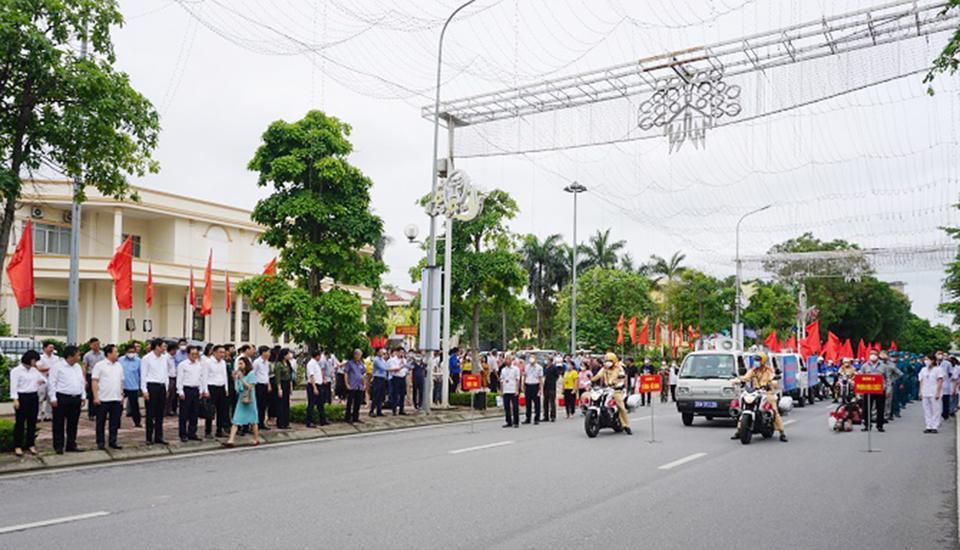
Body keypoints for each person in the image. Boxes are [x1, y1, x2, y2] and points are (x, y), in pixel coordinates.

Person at [731, 352, 786, 442]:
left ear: (763, 361)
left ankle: (782, 433)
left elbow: (773, 379)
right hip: (756, 392)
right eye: (755, 360)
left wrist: (772, 383)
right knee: (743, 409)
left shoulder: (769, 370)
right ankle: (739, 431)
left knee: (775, 411)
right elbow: (746, 378)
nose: (756, 362)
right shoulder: (753, 370)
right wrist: (737, 380)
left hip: (767, 392)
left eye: (758, 360)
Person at [48, 345, 85, 454]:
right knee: (59, 423)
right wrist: (53, 398)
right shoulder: (58, 366)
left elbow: (81, 382)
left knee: (73, 423)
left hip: (75, 398)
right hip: (62, 398)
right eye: (77, 355)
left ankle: (71, 444)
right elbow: (52, 382)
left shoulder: (77, 367)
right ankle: (58, 446)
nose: (79, 357)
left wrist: (83, 395)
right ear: (70, 356)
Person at [10, 350, 45, 456]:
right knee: (20, 423)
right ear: (30, 360)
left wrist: (42, 381)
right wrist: (15, 399)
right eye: (35, 361)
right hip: (22, 397)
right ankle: (18, 446)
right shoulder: (16, 371)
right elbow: (13, 386)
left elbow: (44, 379)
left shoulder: (34, 370)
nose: (36, 363)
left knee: (32, 422)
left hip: (33, 396)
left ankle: (30, 444)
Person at [92, 345, 124, 450]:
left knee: (114, 422)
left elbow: (121, 381)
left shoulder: (119, 366)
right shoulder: (99, 365)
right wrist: (96, 396)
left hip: (116, 398)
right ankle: (100, 442)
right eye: (116, 352)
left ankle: (113, 441)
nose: (117, 354)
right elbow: (94, 381)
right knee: (101, 422)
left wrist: (122, 394)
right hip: (103, 398)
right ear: (109, 353)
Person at [590, 353, 632, 435]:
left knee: (621, 407)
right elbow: (598, 376)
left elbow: (618, 376)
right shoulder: (604, 369)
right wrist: (591, 379)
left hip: (617, 390)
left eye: (609, 361)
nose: (607, 362)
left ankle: (625, 425)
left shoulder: (619, 368)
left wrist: (612, 381)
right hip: (607, 389)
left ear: (614, 361)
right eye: (606, 361)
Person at [224, 357, 260, 447]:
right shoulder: (239, 374)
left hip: (250, 399)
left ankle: (256, 438)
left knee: (253, 420)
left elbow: (250, 387)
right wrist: (236, 379)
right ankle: (231, 440)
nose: (240, 366)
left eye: (241, 363)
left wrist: (241, 379)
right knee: (236, 419)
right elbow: (237, 389)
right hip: (241, 399)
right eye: (239, 364)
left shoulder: (251, 374)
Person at [140, 339, 169, 445]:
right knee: (150, 414)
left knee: (160, 414)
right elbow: (143, 375)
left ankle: (159, 436)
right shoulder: (146, 358)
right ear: (157, 346)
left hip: (161, 387)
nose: (164, 349)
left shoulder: (164, 358)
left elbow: (166, 374)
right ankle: (149, 437)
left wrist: (166, 388)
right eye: (163, 346)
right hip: (151, 387)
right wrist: (144, 390)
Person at [177, 345, 207, 442]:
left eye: (196, 354)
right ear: (188, 354)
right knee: (184, 414)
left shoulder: (199, 365)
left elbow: (201, 378)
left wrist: (202, 390)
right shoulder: (183, 365)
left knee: (194, 413)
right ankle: (183, 434)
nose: (194, 356)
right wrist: (180, 391)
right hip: (186, 390)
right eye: (192, 354)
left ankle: (192, 433)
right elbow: (180, 379)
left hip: (196, 389)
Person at [204, 345, 231, 438]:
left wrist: (226, 388)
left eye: (223, 352)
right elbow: (204, 377)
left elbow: (225, 376)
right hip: (211, 387)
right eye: (220, 352)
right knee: (210, 410)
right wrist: (205, 390)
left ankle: (219, 430)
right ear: (214, 352)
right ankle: (208, 431)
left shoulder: (223, 362)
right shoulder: (208, 362)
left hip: (221, 387)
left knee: (222, 410)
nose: (222, 354)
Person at [860, 351, 888, 433]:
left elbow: (887, 378)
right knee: (866, 408)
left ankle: (880, 425)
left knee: (880, 408)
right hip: (868, 389)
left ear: (877, 356)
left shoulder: (883, 366)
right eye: (871, 354)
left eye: (875, 354)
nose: (873, 356)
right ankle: (867, 425)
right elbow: (860, 376)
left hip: (880, 389)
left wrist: (887, 388)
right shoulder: (865, 365)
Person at [919, 353, 945, 433]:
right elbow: (921, 381)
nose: (926, 361)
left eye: (927, 359)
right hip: (925, 391)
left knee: (936, 409)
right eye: (925, 359)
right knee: (926, 409)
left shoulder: (938, 369)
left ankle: (935, 426)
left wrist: (938, 392)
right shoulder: (923, 369)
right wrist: (920, 391)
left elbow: (940, 381)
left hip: (934, 391)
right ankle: (928, 426)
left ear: (932, 360)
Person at [119, 344, 142, 428]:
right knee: (119, 406)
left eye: (133, 352)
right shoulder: (120, 360)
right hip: (122, 386)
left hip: (133, 386)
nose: (131, 353)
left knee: (134, 406)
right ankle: (117, 423)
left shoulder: (138, 361)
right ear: (125, 352)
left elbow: (140, 374)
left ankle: (137, 422)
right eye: (129, 352)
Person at [271, 348, 294, 429]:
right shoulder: (279, 364)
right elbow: (278, 378)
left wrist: (291, 387)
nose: (289, 355)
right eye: (288, 354)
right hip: (281, 384)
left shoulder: (287, 363)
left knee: (286, 404)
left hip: (287, 384)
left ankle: (286, 422)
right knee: (280, 404)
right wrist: (279, 389)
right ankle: (280, 423)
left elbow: (290, 376)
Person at [37, 341, 59, 421]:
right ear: (44, 348)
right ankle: (38, 415)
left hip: (52, 380)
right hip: (42, 380)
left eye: (52, 348)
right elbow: (38, 368)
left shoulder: (56, 358)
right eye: (50, 347)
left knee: (51, 398)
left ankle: (48, 415)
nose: (51, 349)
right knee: (40, 398)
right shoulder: (40, 358)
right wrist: (50, 369)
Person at [83, 338, 104, 420]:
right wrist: (84, 379)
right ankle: (91, 413)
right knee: (92, 395)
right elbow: (85, 367)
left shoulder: (103, 354)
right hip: (91, 375)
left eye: (98, 344)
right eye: (95, 344)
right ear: (90, 345)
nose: (97, 346)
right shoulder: (87, 355)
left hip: (101, 376)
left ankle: (100, 412)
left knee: (101, 393)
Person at [305, 350, 326, 427]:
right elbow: (311, 376)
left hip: (319, 385)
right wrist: (314, 388)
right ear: (317, 356)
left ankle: (322, 420)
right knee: (311, 404)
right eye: (319, 356)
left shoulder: (316, 363)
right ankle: (309, 421)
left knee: (320, 404)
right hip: (313, 385)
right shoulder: (311, 364)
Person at [252, 346, 271, 430]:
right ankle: (256, 423)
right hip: (258, 385)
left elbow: (267, 374)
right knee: (258, 405)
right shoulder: (257, 362)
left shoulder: (267, 362)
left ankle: (262, 422)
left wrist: (268, 384)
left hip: (265, 385)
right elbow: (253, 374)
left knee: (264, 405)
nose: (269, 354)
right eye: (268, 352)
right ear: (263, 353)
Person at [344, 349, 365, 423]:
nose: (359, 357)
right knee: (350, 402)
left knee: (358, 402)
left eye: (360, 355)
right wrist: (347, 384)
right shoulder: (350, 363)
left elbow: (362, 374)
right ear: (355, 355)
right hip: (352, 385)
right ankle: (348, 417)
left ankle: (355, 417)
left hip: (359, 386)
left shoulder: (361, 363)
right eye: (358, 355)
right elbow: (346, 373)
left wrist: (364, 384)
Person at [521, 355, 543, 425]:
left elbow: (540, 379)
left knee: (536, 403)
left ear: (536, 359)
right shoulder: (527, 366)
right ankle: (528, 418)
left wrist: (541, 389)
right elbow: (525, 376)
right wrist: (523, 385)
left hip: (535, 385)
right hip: (528, 385)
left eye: (533, 358)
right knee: (528, 403)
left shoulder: (539, 367)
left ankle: (537, 418)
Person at [387, 348, 409, 415]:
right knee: (395, 394)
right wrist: (401, 366)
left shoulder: (405, 360)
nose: (402, 354)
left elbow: (406, 369)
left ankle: (401, 409)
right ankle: (394, 409)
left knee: (402, 394)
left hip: (402, 377)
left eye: (403, 353)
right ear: (397, 352)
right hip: (396, 378)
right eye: (401, 352)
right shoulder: (392, 360)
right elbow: (393, 369)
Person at [500, 357, 520, 428]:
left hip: (513, 389)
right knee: (506, 407)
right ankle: (508, 421)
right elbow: (501, 380)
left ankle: (516, 422)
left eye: (508, 359)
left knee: (515, 407)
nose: (507, 361)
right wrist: (501, 391)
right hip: (506, 390)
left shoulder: (515, 369)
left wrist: (517, 390)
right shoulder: (503, 370)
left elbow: (517, 380)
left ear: (511, 361)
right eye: (506, 360)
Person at [165, 340, 183, 417]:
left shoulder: (173, 358)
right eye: (175, 349)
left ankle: (169, 410)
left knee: (172, 396)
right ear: (171, 349)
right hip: (168, 378)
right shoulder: (166, 357)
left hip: (174, 377)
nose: (176, 351)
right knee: (167, 395)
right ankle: (164, 411)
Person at [542, 356, 562, 422]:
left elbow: (557, 376)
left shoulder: (554, 367)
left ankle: (553, 416)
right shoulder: (545, 367)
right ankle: (546, 416)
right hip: (546, 386)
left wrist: (553, 381)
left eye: (547, 360)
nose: (546, 361)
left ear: (550, 361)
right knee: (545, 402)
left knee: (552, 402)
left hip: (552, 386)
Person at [370, 348, 389, 417]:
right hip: (377, 378)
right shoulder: (376, 360)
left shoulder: (382, 360)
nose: (382, 353)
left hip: (383, 378)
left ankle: (379, 411)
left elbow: (387, 366)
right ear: (377, 352)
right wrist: (387, 367)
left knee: (381, 396)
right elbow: (383, 368)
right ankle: (371, 410)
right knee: (376, 395)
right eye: (381, 352)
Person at [937, 351, 953, 421]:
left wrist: (946, 379)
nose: (940, 356)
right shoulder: (934, 363)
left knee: (945, 401)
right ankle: (938, 415)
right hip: (936, 384)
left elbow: (950, 373)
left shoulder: (948, 363)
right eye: (938, 354)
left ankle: (945, 415)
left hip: (945, 384)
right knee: (937, 401)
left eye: (941, 354)